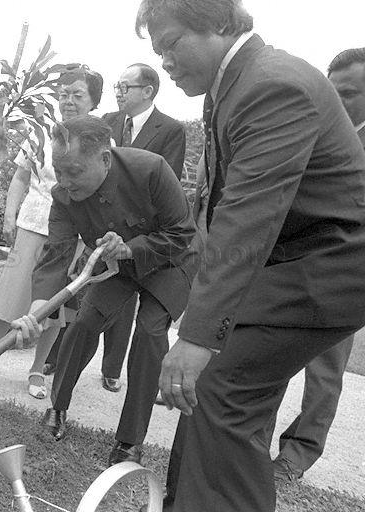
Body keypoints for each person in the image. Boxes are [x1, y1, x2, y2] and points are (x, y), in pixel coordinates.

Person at [135, 1, 365, 511]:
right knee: (218, 395)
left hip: (331, 265)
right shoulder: (234, 85)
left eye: (172, 44)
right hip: (297, 266)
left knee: (220, 394)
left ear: (219, 22)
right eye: (157, 52)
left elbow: (248, 215)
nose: (165, 62)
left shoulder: (271, 84)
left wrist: (197, 335)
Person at [11, 116, 198, 468]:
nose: (64, 182)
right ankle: (57, 407)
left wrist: (131, 248)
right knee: (83, 323)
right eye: (59, 171)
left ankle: (129, 440)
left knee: (150, 332)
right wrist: (36, 315)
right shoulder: (64, 196)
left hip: (170, 261)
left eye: (74, 172)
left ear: (105, 159)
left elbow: (181, 233)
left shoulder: (151, 170)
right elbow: (56, 257)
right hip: (114, 265)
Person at [0, 64, 105, 400]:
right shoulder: (41, 130)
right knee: (9, 297)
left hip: (73, 231)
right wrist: (9, 214)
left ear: (93, 101)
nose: (69, 101)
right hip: (33, 222)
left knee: (54, 307)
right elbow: (19, 177)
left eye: (78, 94)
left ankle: (36, 370)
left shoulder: (101, 138)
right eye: (64, 94)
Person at [268, 47, 365, 484]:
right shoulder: (312, 127)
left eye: (347, 93)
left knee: (325, 369)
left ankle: (297, 455)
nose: (336, 100)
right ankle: (247, 439)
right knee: (265, 356)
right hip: (288, 261)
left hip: (345, 278)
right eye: (332, 89)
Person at [98, 63, 186, 393]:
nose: (118, 92)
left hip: (146, 232)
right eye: (116, 86)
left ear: (147, 91)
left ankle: (113, 370)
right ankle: (72, 359)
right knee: (104, 294)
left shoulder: (170, 130)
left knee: (133, 303)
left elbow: (169, 182)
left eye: (125, 87)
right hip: (107, 223)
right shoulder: (108, 121)